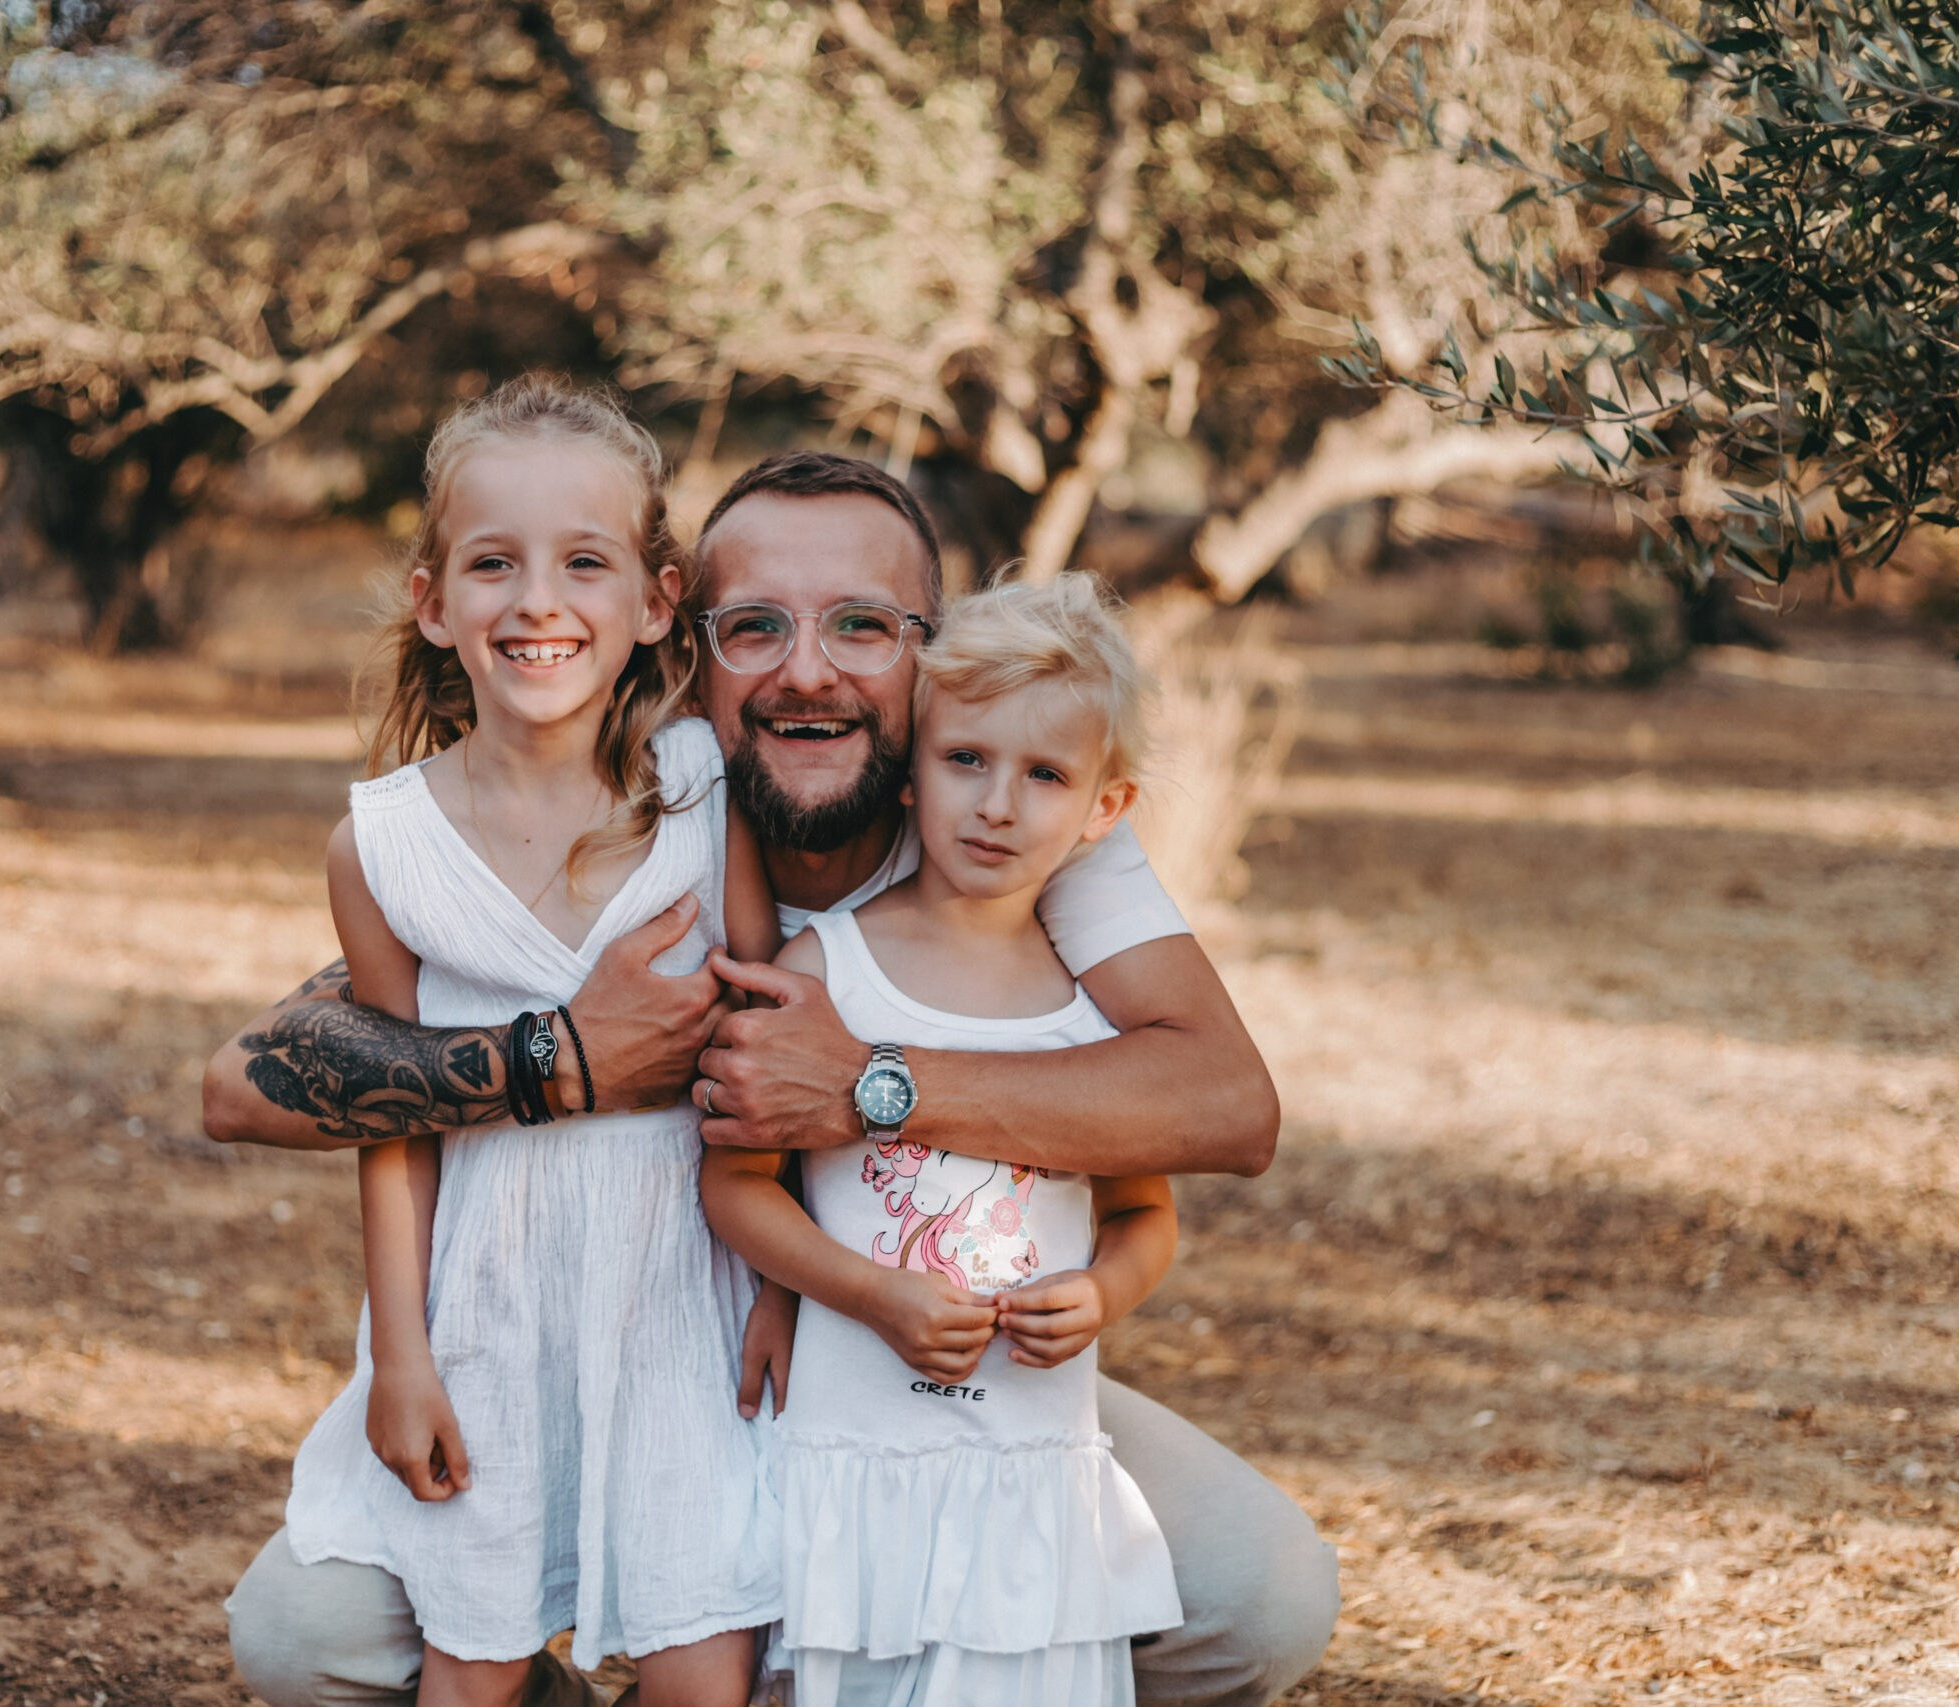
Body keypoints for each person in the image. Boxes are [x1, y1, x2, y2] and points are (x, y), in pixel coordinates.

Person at [209, 451, 1340, 1707]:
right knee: (307, 1637)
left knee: (1257, 1595)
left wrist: (869, 1084)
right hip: (603, 1328)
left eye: (862, 625)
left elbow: (1226, 1107)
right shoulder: (642, 802)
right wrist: (559, 1057)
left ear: (929, 656)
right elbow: (249, 1083)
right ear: (687, 650)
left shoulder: (1008, 817)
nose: (807, 671)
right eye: (755, 628)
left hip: (912, 1365)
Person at [278, 373, 780, 1707]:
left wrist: (781, 1288)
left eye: (584, 562)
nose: (538, 601)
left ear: (656, 601)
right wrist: (400, 1357)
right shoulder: (383, 845)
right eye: (493, 563)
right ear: (433, 601)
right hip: (485, 1308)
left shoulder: (704, 796)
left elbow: (767, 1065)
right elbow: (392, 1117)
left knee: (700, 1669)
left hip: (680, 1298)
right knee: (476, 1660)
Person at [703, 575, 1184, 1707]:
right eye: (966, 759)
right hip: (857, 1462)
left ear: (1104, 808)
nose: (998, 805)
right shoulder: (828, 970)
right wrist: (871, 1294)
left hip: (1028, 1481)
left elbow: (1143, 1214)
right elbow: (736, 1188)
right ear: (911, 770)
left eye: (1046, 775)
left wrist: (1104, 1293)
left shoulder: (1095, 1018)